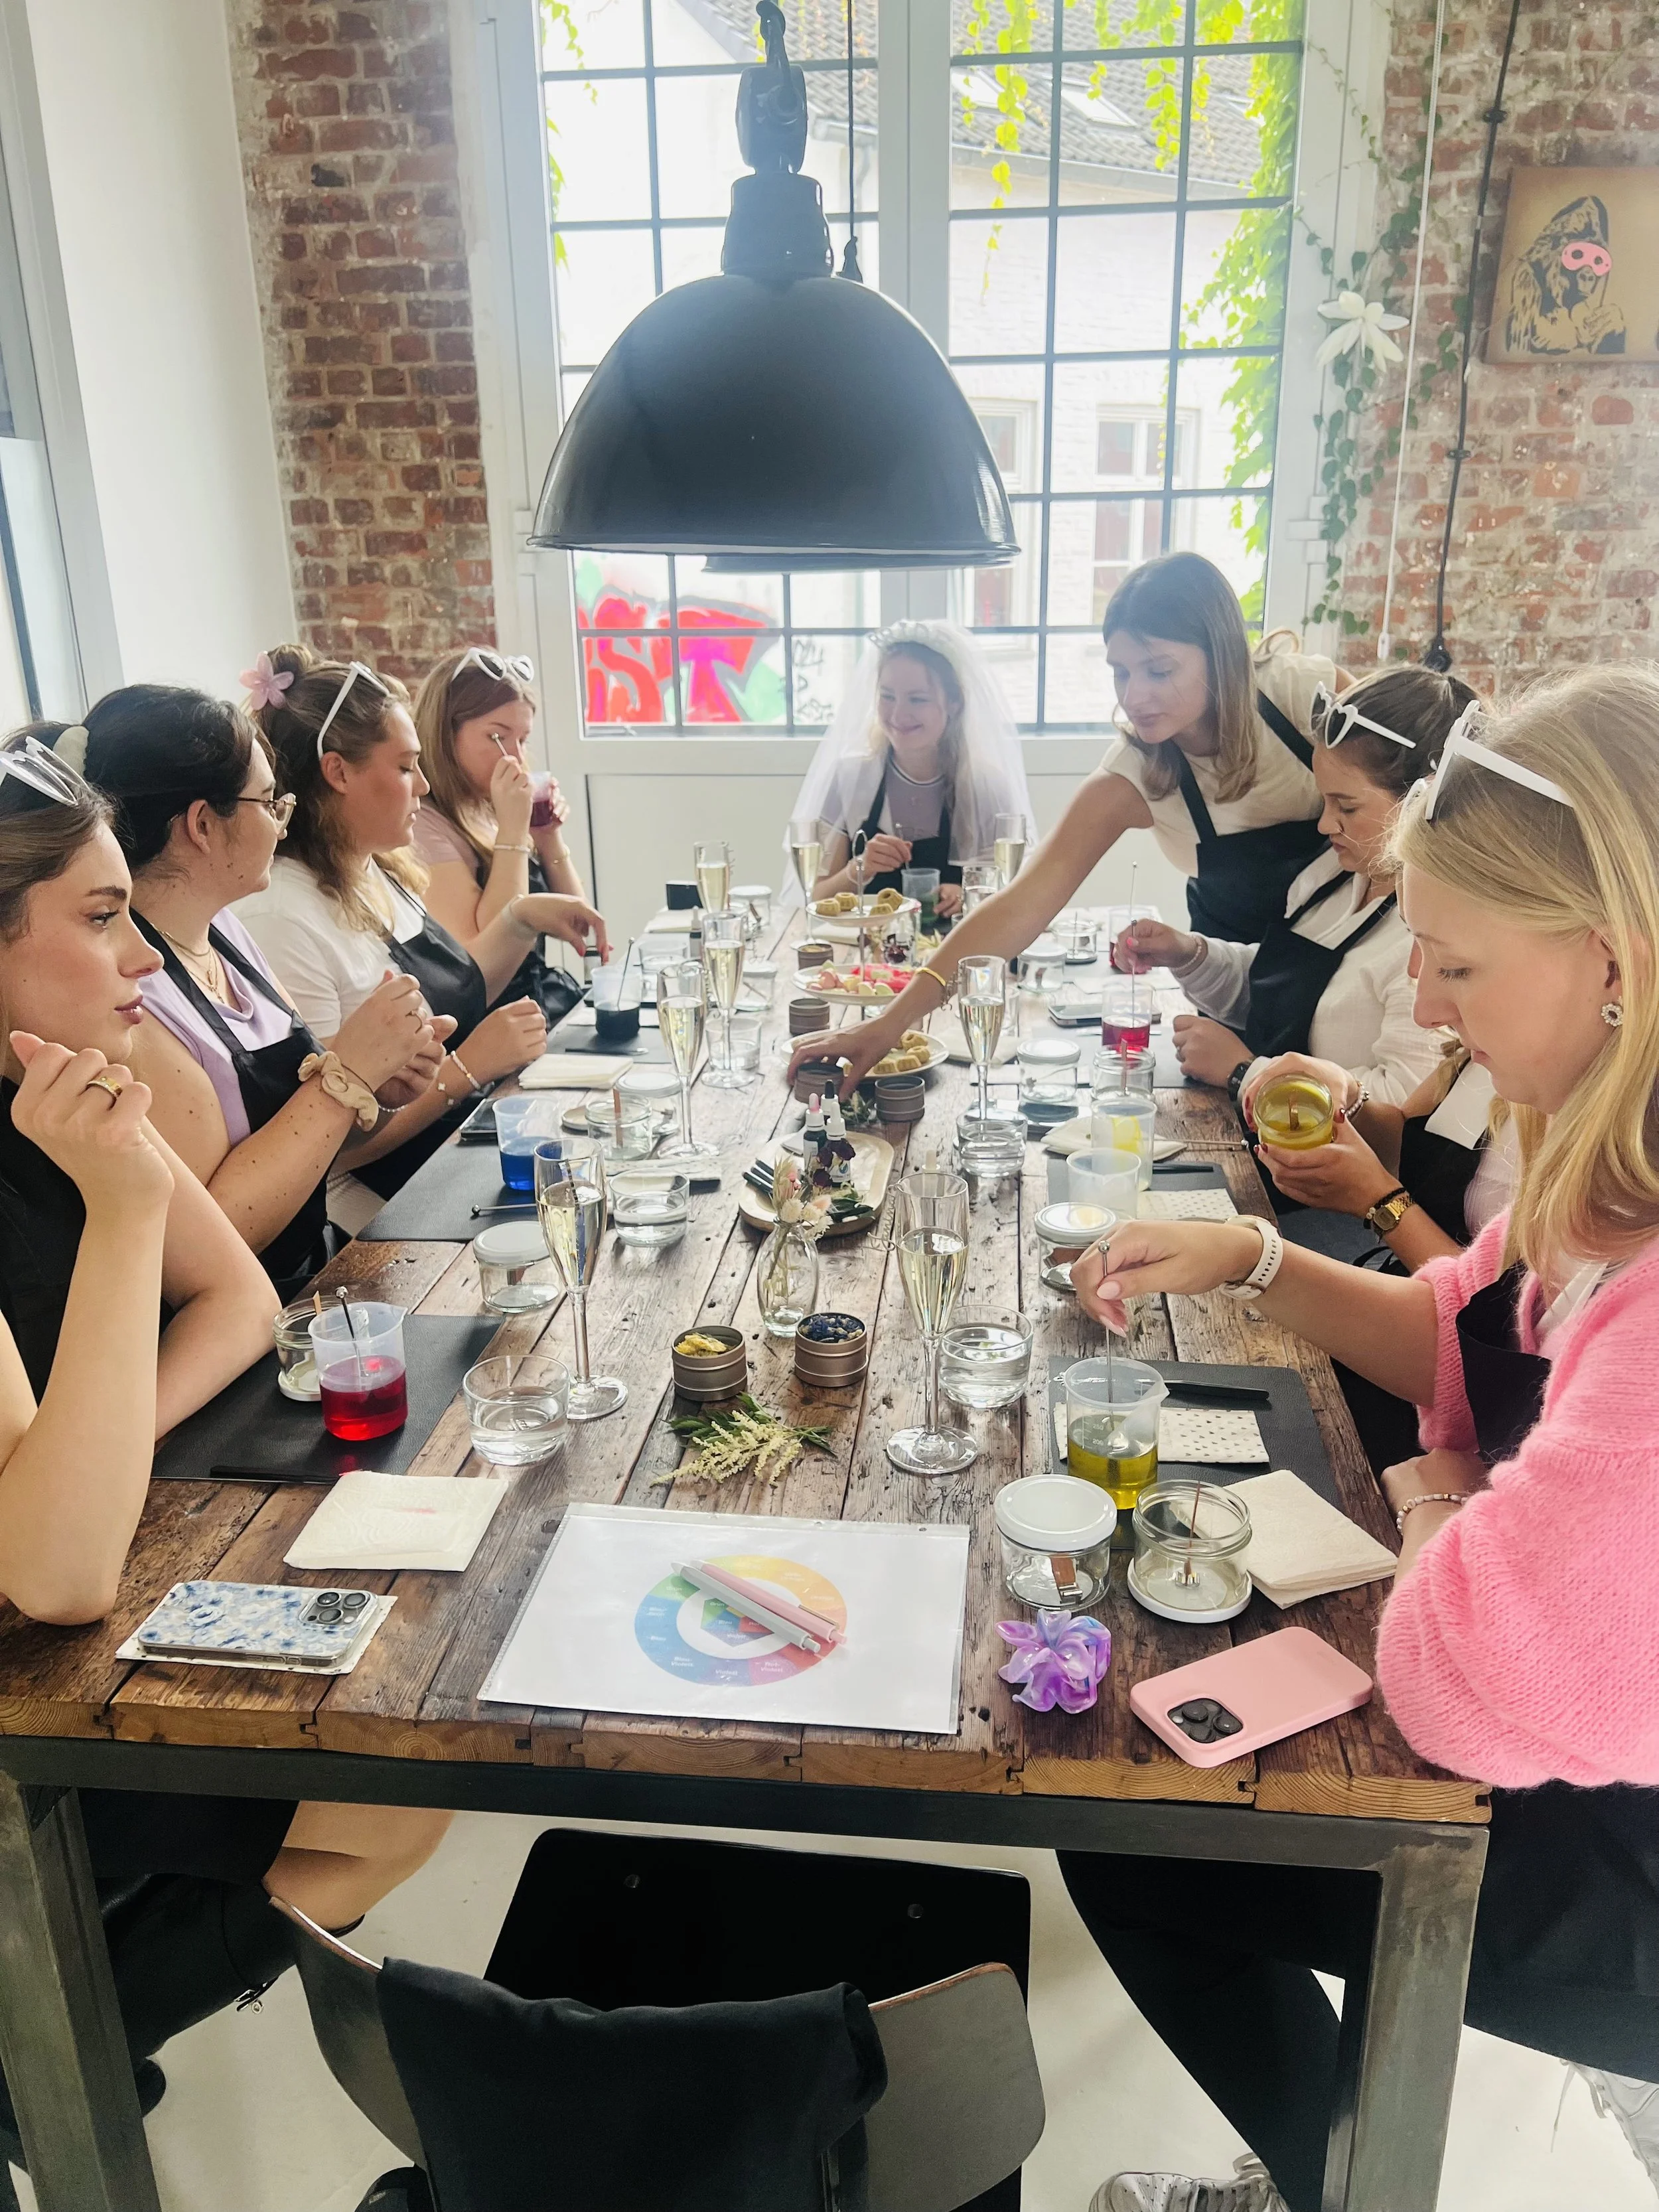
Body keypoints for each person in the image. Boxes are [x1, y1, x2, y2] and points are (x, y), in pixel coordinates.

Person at [1063, 664, 1659, 2212]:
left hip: (1626, 1870)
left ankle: (1344, 2189)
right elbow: (1465, 1326)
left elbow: (1462, 1678)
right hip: (1574, 1735)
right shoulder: (1610, 1148)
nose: (1432, 1005)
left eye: (1454, 964)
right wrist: (1253, 1258)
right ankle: (1332, 2172)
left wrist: (1434, 1499)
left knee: (1137, 1839)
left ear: (1609, 955)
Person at [0, 735, 447, 2110]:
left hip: (80, 1570)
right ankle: (51, 2068)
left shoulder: (65, 1086)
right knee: (382, 1772)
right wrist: (128, 1212)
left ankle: (58, 2054)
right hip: (30, 1684)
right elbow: (53, 1572)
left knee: (403, 1785)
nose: (140, 952)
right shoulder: (91, 1124)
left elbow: (242, 1302)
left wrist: (91, 1446)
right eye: (98, 916)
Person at [786, 555, 1348, 1094]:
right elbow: (1020, 904)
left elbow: (1398, 801)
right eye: (1120, 672)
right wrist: (889, 1022)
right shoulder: (1135, 773)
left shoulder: (1302, 696)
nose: (1134, 696)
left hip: (1354, 980)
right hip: (1240, 1002)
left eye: (1159, 670)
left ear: (1220, 653)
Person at [48, 688, 451, 1297]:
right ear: (203, 825)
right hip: (249, 1314)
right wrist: (347, 1075)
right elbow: (217, 1233)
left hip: (318, 1281)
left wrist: (379, 1083)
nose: (282, 822)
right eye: (268, 802)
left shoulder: (224, 931)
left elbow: (310, 1142)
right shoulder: (132, 992)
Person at [236, 647, 609, 1201]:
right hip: (385, 1197)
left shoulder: (375, 868)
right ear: (338, 772)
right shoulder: (282, 916)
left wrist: (522, 918)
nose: (425, 787)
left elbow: (458, 987)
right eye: (407, 767)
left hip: (454, 1142)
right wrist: (467, 1067)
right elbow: (333, 1146)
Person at [1112, 666, 1475, 1104]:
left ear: (1425, 799)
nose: (1325, 824)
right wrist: (1189, 954)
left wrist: (1246, 1073)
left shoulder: (1431, 943)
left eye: (1347, 807)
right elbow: (1275, 984)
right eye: (1324, 801)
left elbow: (1401, 1101)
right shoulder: (1333, 877)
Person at [786, 621, 1033, 916]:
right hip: (868, 945)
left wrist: (967, 894)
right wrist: (860, 868)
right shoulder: (849, 779)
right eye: (888, 696)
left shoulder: (986, 787)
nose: (898, 714)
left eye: (918, 699)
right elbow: (814, 899)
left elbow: (1014, 897)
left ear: (955, 703)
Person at [410, 645, 587, 1022]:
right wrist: (513, 831)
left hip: (540, 1000)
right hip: (490, 1025)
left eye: (523, 739)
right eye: (497, 737)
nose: (517, 757)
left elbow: (579, 923)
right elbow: (484, 956)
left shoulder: (491, 803)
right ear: (445, 733)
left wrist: (547, 837)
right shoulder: (423, 824)